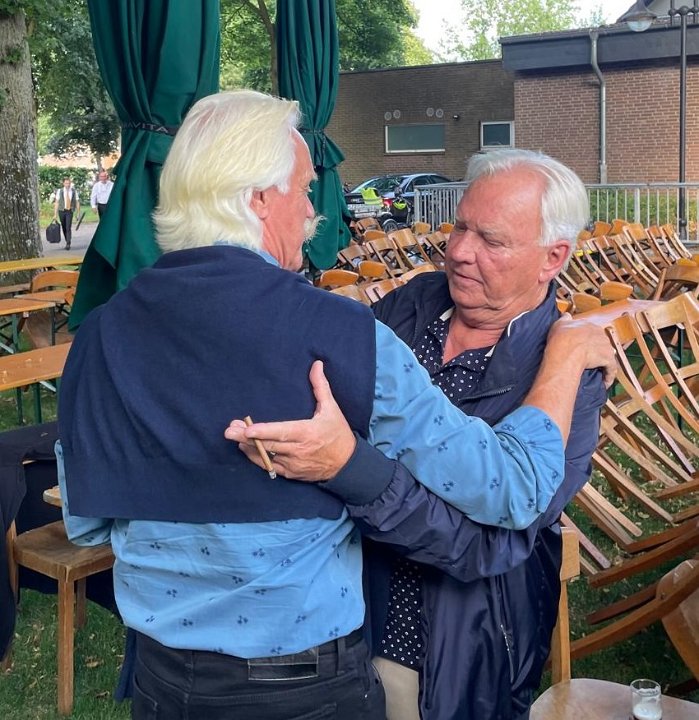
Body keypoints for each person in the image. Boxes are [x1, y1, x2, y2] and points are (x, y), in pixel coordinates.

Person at [57, 91, 614, 720]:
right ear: (259, 198)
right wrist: (571, 350)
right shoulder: (344, 333)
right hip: (303, 683)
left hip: (163, 678)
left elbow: (89, 524)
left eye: (491, 239)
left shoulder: (98, 335)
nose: (312, 210)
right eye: (303, 189)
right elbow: (515, 485)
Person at [226, 148, 607, 719]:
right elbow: (322, 397)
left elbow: (488, 541)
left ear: (552, 257)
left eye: (491, 240)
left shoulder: (568, 377)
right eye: (461, 227)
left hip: (452, 638)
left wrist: (351, 469)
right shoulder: (413, 303)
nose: (459, 251)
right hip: (339, 606)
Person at [53, 177, 79, 250]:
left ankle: (68, 243)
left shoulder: (74, 191)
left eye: (69, 183)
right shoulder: (60, 191)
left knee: (68, 227)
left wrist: (78, 213)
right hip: (61, 211)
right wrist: (55, 214)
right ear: (63, 183)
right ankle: (67, 239)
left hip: (69, 211)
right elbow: (57, 202)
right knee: (64, 227)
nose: (67, 185)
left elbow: (77, 202)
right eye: (66, 183)